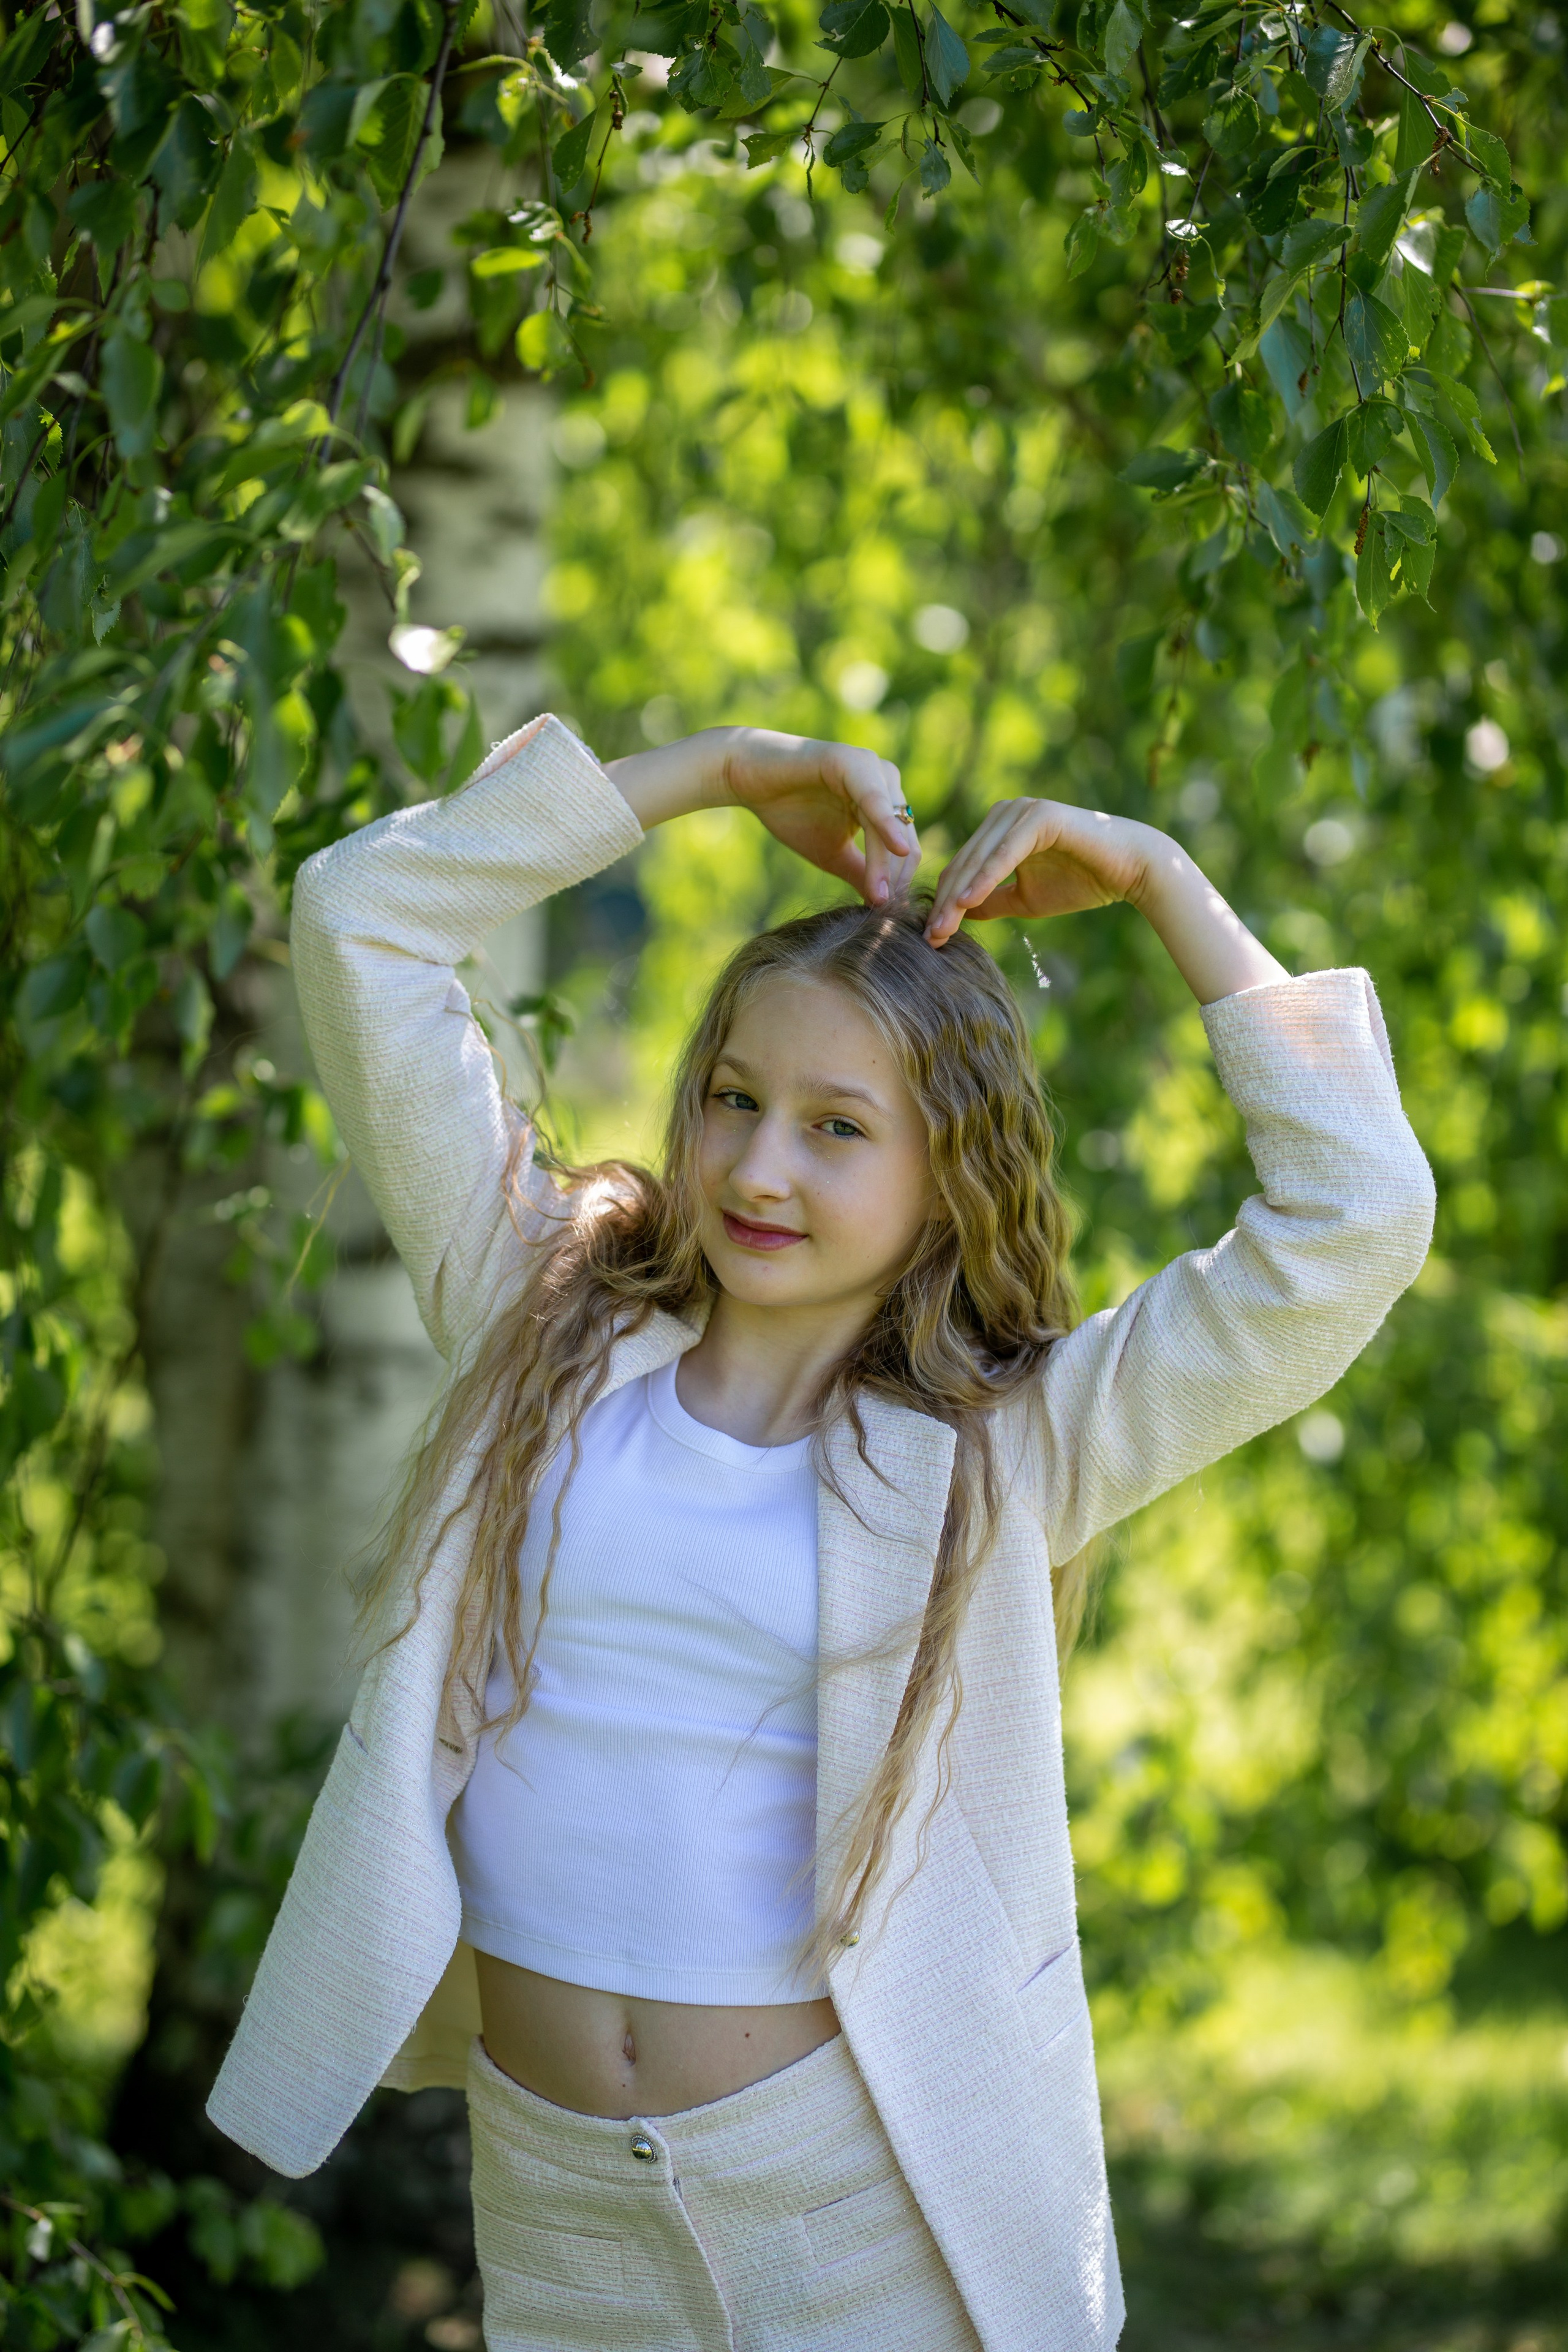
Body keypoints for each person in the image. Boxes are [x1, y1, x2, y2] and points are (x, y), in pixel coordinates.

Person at [207, 715, 1434, 2350]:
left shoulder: (1006, 1450)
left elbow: (1353, 1222)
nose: (759, 1165)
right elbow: (362, 919)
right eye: (732, 1098)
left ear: (953, 1175)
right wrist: (708, 777)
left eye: (839, 1128)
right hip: (557, 2194)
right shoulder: (541, 1325)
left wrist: (1161, 880)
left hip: (853, 2202)